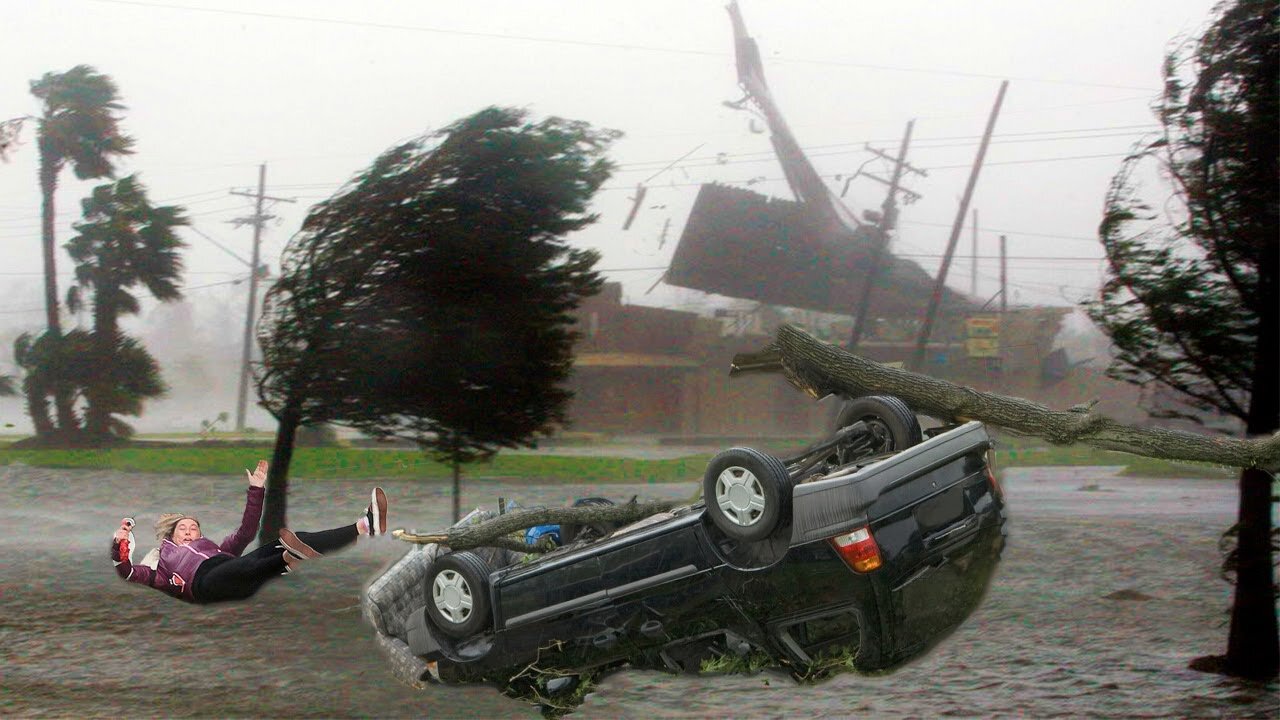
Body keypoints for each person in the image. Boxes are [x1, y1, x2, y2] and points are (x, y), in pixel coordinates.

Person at [110, 460, 390, 604]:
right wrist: (119, 546)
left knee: (289, 540)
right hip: (205, 585)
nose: (189, 531)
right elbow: (128, 572)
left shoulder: (218, 549)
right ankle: (288, 559)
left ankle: (365, 526)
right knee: (247, 564)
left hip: (237, 573)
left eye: (194, 527)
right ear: (170, 535)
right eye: (183, 528)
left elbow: (247, 530)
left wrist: (256, 488)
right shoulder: (160, 564)